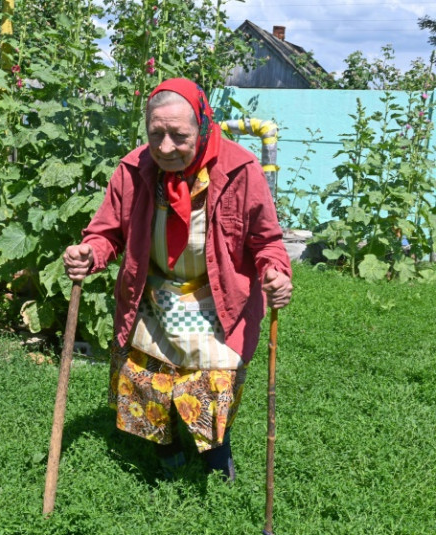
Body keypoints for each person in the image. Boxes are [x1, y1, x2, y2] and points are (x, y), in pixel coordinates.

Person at [63, 78, 292, 480]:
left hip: (216, 301)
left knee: (215, 383)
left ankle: (215, 449)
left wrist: (274, 271)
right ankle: (165, 446)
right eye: (156, 134)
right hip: (152, 297)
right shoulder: (134, 169)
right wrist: (91, 252)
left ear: (203, 126)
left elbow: (266, 241)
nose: (165, 147)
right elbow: (106, 232)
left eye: (178, 136)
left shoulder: (240, 170)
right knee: (147, 378)